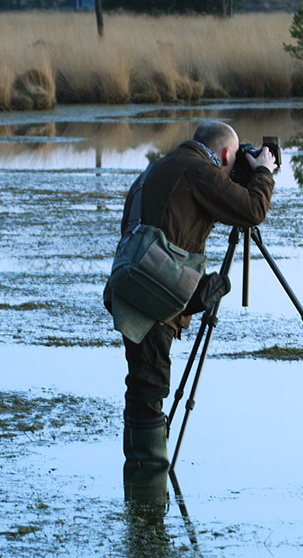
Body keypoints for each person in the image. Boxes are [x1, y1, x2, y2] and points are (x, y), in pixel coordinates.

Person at [105, 120, 277, 469]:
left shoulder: (157, 169)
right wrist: (263, 173)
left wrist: (196, 296)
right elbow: (252, 211)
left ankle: (141, 489)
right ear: (227, 153)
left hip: (133, 289)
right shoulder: (200, 171)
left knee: (142, 386)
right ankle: (148, 491)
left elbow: (168, 233)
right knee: (149, 389)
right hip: (152, 300)